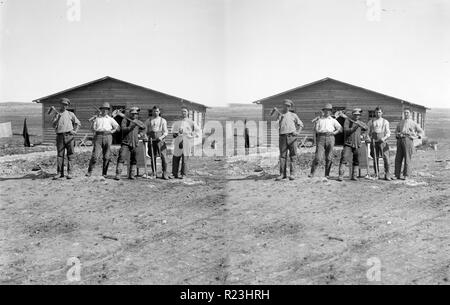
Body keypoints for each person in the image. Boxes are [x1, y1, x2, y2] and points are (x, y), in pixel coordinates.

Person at [271, 99, 304, 181]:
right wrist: (279, 119)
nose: (287, 107)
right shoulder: (279, 115)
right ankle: (282, 174)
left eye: (289, 106)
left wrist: (297, 132)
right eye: (286, 105)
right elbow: (274, 126)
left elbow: (301, 125)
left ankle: (292, 174)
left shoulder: (293, 115)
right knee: (282, 156)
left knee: (293, 156)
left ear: (290, 107)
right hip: (282, 137)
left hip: (292, 137)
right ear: (283, 105)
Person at [86, 102, 120, 178]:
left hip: (108, 136)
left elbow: (118, 127)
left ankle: (104, 173)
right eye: (103, 109)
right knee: (95, 156)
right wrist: (92, 122)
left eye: (106, 109)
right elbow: (92, 129)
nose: (105, 111)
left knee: (106, 156)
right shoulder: (97, 118)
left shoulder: (110, 119)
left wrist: (113, 131)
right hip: (98, 136)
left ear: (108, 111)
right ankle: (89, 171)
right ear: (101, 110)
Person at [309, 103, 342, 178]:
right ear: (324, 111)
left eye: (329, 110)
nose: (327, 112)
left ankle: (327, 174)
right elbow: (316, 130)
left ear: (331, 111)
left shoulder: (333, 120)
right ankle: (312, 173)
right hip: (321, 138)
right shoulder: (320, 120)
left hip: (331, 137)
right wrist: (316, 126)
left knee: (329, 157)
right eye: (326, 110)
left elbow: (340, 128)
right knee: (318, 157)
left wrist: (334, 133)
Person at [51, 98, 81, 180]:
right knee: (60, 155)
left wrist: (75, 131)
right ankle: (59, 173)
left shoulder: (70, 114)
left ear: (67, 105)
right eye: (63, 104)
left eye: (66, 105)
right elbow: (53, 126)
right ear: (60, 104)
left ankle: (70, 173)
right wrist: (57, 119)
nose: (64, 106)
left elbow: (78, 123)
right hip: (60, 136)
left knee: (70, 155)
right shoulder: (57, 114)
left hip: (70, 136)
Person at [114, 107, 145, 180]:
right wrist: (131, 126)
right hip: (126, 142)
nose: (134, 115)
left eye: (136, 114)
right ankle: (118, 174)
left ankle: (132, 175)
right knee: (122, 157)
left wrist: (141, 134)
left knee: (134, 159)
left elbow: (144, 127)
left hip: (135, 143)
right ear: (130, 114)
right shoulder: (125, 120)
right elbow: (123, 130)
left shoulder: (138, 121)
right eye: (133, 114)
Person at [337, 108, 368, 181]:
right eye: (355, 115)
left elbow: (366, 128)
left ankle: (354, 176)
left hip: (357, 143)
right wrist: (354, 127)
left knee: (356, 160)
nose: (357, 116)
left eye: (358, 115)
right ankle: (341, 175)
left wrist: (363, 135)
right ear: (353, 115)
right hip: (348, 143)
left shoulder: (360, 122)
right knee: (344, 158)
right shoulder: (347, 121)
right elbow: (346, 131)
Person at [171, 107, 200, 179]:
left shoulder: (191, 122)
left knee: (185, 158)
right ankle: (174, 173)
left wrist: (191, 135)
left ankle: (184, 174)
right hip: (178, 141)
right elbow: (174, 134)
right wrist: (176, 133)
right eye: (182, 111)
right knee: (176, 157)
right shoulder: (178, 122)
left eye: (185, 111)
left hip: (186, 141)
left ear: (188, 113)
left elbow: (198, 131)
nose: (183, 113)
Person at [394, 108, 424, 180]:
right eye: (405, 113)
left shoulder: (413, 123)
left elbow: (421, 131)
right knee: (398, 158)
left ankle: (406, 175)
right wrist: (398, 134)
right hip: (400, 140)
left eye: (407, 112)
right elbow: (396, 131)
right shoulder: (400, 122)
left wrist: (417, 136)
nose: (406, 114)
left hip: (408, 140)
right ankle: (397, 174)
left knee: (407, 158)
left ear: (410, 113)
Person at [367, 107, 393, 180]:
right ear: (374, 113)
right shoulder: (371, 122)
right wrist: (368, 138)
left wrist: (384, 138)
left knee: (386, 158)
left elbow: (388, 133)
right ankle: (376, 173)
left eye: (379, 112)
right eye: (376, 112)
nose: (378, 114)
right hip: (374, 142)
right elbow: (368, 132)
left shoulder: (385, 122)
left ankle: (387, 174)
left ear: (382, 113)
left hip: (382, 141)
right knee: (375, 158)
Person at [144, 106, 169, 180]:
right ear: (152, 112)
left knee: (163, 157)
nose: (155, 112)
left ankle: (164, 173)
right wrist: (145, 136)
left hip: (160, 140)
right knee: (153, 157)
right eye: (154, 111)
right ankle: (154, 172)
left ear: (159, 112)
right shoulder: (148, 120)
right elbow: (145, 130)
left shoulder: (163, 120)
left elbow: (166, 132)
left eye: (157, 111)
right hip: (151, 140)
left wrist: (161, 138)